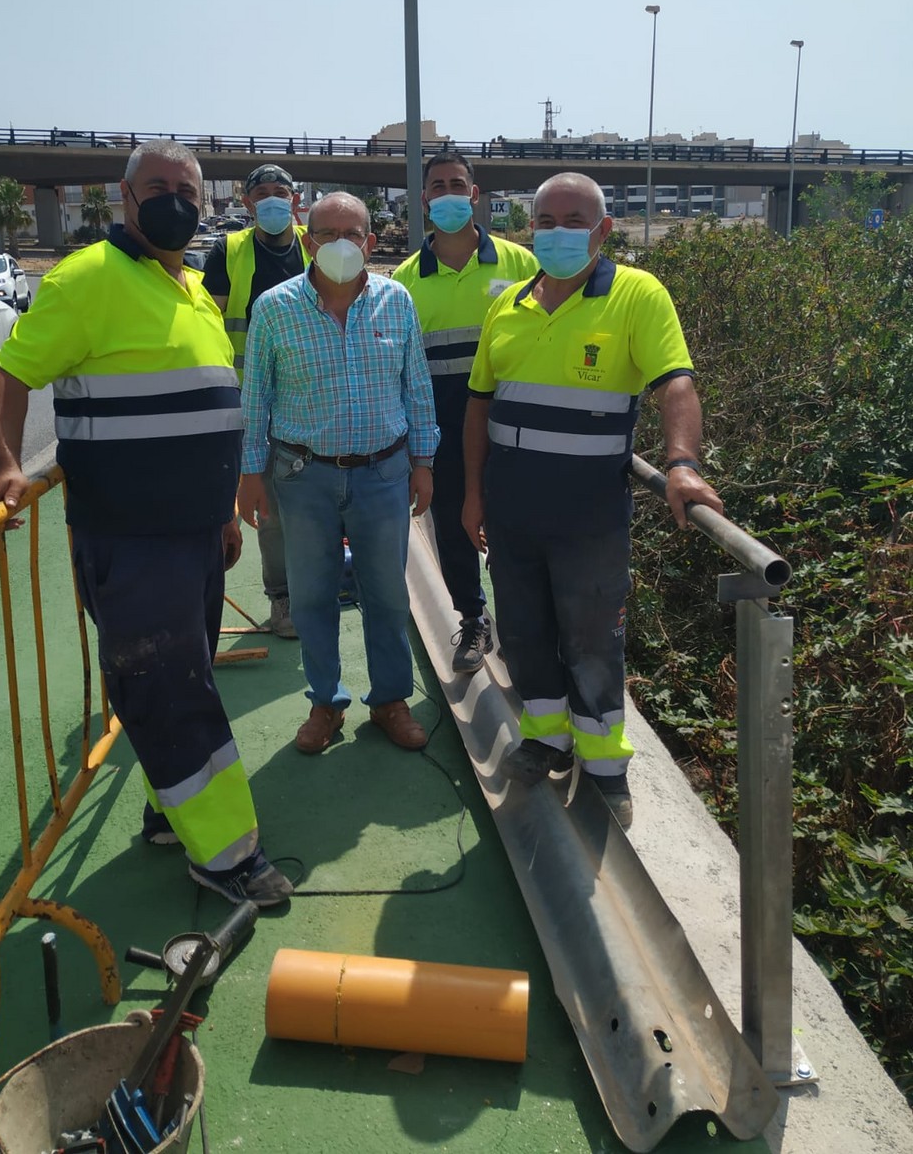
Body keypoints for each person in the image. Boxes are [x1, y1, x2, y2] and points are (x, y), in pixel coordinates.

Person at [0, 139, 293, 907]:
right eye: (158, 186)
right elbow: (9, 376)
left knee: (184, 681)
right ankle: (228, 855)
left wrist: (224, 517)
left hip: (198, 535)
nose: (175, 201)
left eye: (188, 190)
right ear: (126, 197)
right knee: (169, 690)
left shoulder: (195, 290)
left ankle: (167, 816)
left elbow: (207, 413)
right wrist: (8, 464)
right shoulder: (87, 279)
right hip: (131, 538)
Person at [462, 172, 723, 828]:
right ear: (531, 229)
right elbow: (479, 406)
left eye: (574, 221)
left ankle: (605, 766)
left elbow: (676, 384)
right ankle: (545, 739)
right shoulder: (508, 304)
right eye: (546, 221)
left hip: (589, 517)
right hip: (512, 510)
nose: (558, 232)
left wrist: (682, 465)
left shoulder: (636, 294)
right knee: (523, 632)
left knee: (592, 640)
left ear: (603, 230)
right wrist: (472, 494)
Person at [238, 192, 439, 756]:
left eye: (352, 233)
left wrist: (423, 463)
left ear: (370, 242)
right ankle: (325, 701)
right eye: (327, 233)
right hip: (303, 476)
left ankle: (390, 700)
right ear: (308, 241)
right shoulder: (275, 308)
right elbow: (256, 399)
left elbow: (417, 387)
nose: (340, 244)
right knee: (311, 597)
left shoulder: (396, 301)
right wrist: (250, 474)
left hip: (383, 472)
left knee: (387, 594)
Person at [393, 151, 537, 674]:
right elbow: (402, 366)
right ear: (424, 199)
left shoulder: (520, 264)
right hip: (441, 427)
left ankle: (520, 628)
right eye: (438, 186)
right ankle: (474, 619)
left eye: (458, 184)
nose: (449, 193)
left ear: (475, 194)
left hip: (513, 424)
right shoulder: (406, 279)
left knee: (515, 527)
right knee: (455, 525)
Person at [202, 164, 310, 639]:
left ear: (295, 199)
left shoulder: (315, 244)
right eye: (261, 193)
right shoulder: (228, 251)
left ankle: (315, 588)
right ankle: (282, 598)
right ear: (247, 203)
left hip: (310, 394)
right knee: (271, 508)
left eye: (280, 192)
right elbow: (208, 321)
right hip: (253, 400)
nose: (271, 200)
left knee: (318, 501)